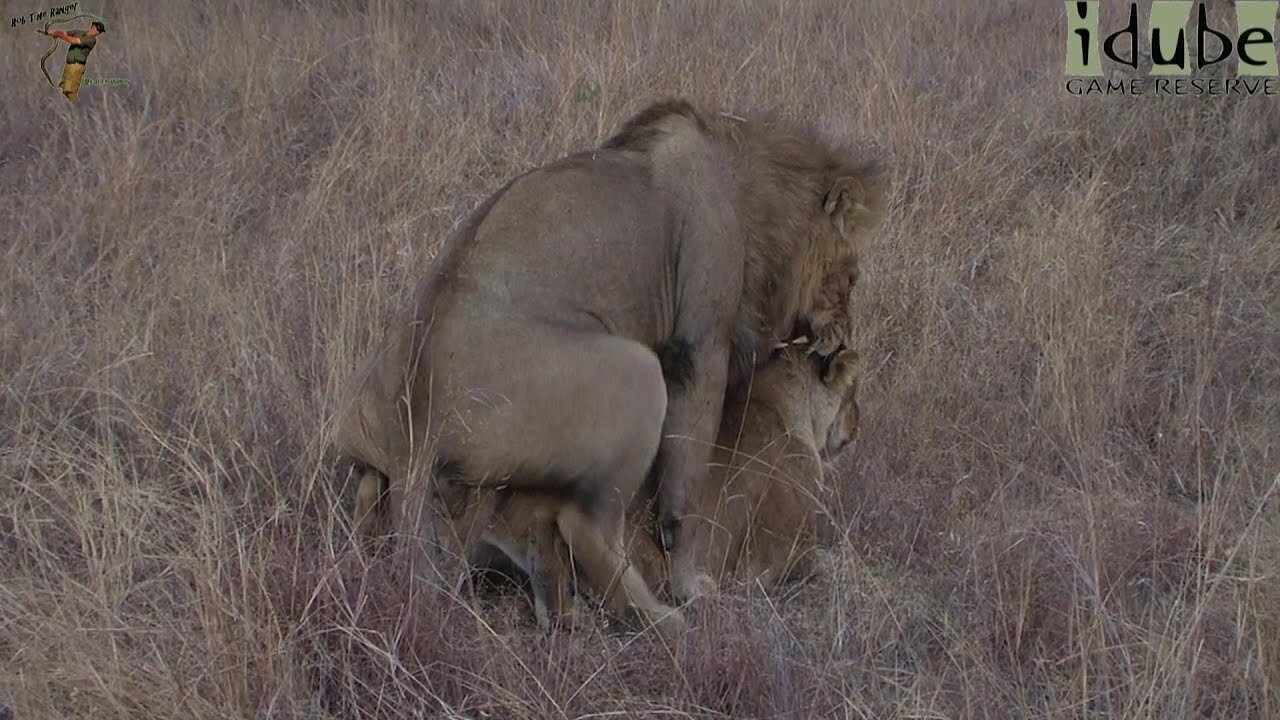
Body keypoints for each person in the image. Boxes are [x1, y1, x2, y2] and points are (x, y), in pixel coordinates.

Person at [38, 21, 105, 102]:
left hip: (76, 67)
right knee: (63, 89)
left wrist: (59, 35)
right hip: (69, 66)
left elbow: (74, 41)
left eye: (99, 31)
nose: (97, 32)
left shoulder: (91, 40)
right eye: (97, 29)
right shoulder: (79, 32)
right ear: (93, 26)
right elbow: (65, 33)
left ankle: (75, 109)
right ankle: (67, 108)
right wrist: (52, 32)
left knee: (69, 92)